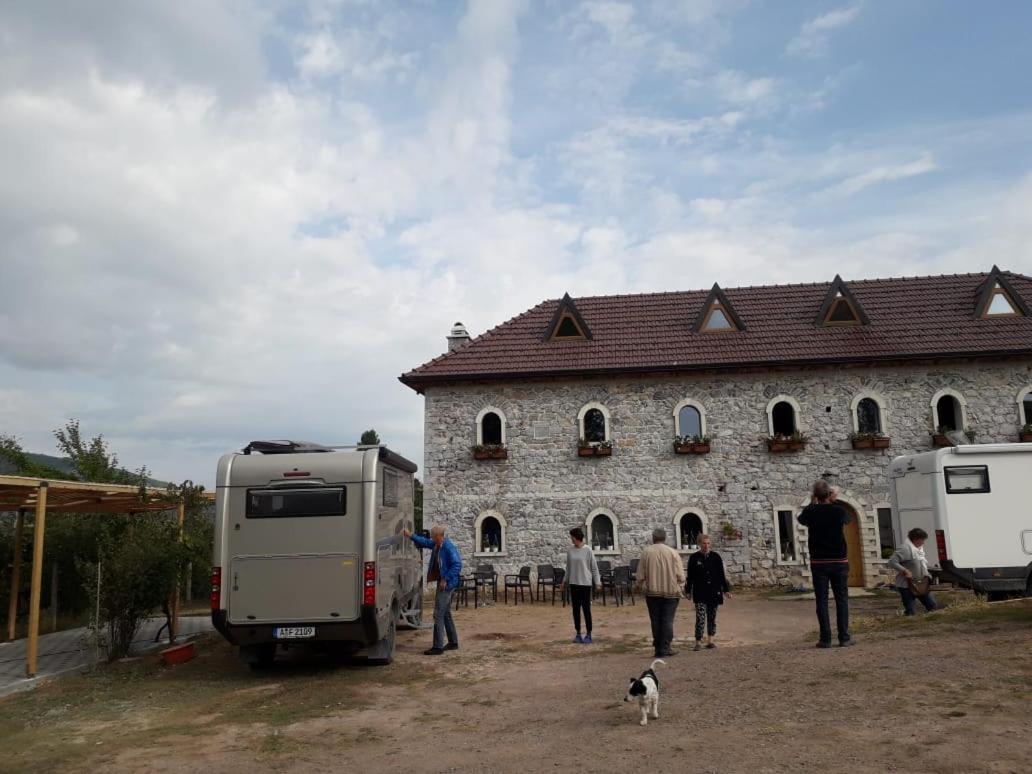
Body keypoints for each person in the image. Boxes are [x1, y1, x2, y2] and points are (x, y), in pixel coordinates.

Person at [797, 480, 854, 648]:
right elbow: (848, 520)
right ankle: (844, 637)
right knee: (841, 599)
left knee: (821, 600)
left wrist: (813, 502)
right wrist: (833, 500)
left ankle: (825, 639)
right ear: (830, 495)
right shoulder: (838, 511)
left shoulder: (810, 511)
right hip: (839, 561)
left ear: (814, 496)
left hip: (819, 561)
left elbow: (801, 520)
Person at [404, 525, 461, 655]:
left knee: (438, 614)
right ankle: (453, 642)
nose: (432, 539)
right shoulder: (437, 544)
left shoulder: (448, 547)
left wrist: (445, 579)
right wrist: (411, 536)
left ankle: (438, 647)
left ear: (439, 536)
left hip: (446, 585)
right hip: (445, 583)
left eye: (433, 537)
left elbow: (457, 564)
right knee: (445, 613)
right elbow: (425, 542)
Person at [637, 527, 686, 657]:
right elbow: (681, 576)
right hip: (671, 592)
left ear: (653, 538)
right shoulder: (673, 553)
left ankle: (658, 648)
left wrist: (639, 585)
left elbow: (640, 575)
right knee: (667, 620)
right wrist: (680, 583)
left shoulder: (646, 552)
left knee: (655, 620)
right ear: (665, 538)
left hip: (652, 592)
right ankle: (665, 647)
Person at [684, 534, 731, 651]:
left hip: (714, 591)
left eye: (708, 543)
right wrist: (688, 590)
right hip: (700, 591)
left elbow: (721, 575)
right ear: (700, 544)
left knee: (712, 616)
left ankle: (711, 640)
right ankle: (698, 642)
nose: (706, 545)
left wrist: (725, 590)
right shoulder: (694, 558)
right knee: (700, 617)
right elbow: (690, 576)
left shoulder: (716, 557)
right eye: (704, 543)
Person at [562, 526, 601, 643]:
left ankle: (589, 633)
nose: (571, 540)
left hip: (585, 584)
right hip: (574, 583)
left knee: (586, 609)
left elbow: (594, 568)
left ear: (577, 537)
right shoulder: (570, 551)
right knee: (575, 610)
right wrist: (564, 581)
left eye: (572, 537)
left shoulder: (588, 550)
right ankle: (578, 633)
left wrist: (597, 582)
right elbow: (568, 568)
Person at [886, 527, 938, 616]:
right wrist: (904, 570)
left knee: (932, 606)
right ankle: (905, 618)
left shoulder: (919, 550)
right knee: (911, 612)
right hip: (906, 585)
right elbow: (891, 562)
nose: (923, 542)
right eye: (922, 540)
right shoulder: (905, 549)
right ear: (915, 539)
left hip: (921, 584)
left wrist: (927, 574)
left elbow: (921, 564)